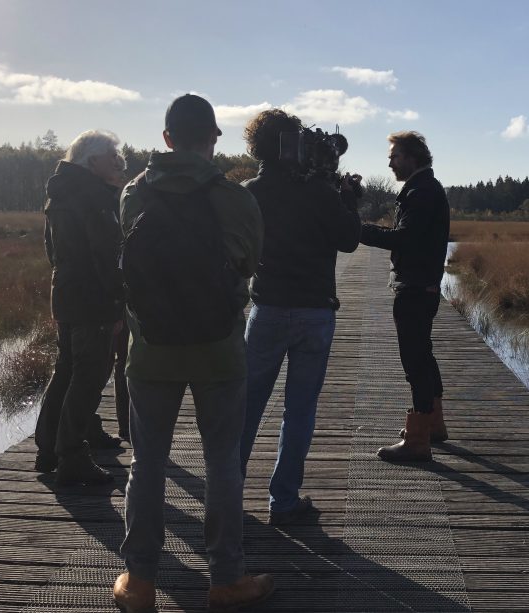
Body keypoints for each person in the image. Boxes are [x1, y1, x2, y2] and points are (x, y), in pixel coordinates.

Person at [111, 94, 274, 613]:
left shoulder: (133, 193)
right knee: (222, 462)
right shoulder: (235, 199)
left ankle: (140, 583)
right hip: (219, 349)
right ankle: (226, 579)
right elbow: (249, 264)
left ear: (166, 138)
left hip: (151, 351)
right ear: (213, 139)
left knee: (147, 463)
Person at [237, 109, 361, 526]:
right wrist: (348, 199)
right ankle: (284, 501)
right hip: (315, 311)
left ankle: (228, 494)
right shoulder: (320, 192)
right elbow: (349, 240)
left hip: (267, 309)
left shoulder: (250, 192)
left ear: (257, 147)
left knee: (246, 407)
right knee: (300, 411)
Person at [34, 129, 127, 485]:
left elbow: (51, 250)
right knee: (88, 375)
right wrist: (117, 302)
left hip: (66, 293)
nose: (118, 162)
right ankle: (71, 456)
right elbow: (106, 256)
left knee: (67, 369)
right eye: (112, 156)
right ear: (92, 160)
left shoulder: (60, 192)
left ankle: (48, 448)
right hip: (93, 299)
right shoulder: (93, 196)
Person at [359, 131, 450, 462]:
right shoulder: (424, 187)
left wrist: (359, 230)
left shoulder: (421, 192)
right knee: (423, 355)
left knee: (415, 362)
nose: (390, 163)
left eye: (395, 156)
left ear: (412, 157)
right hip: (422, 286)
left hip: (415, 288)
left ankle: (418, 442)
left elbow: (405, 239)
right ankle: (433, 425)